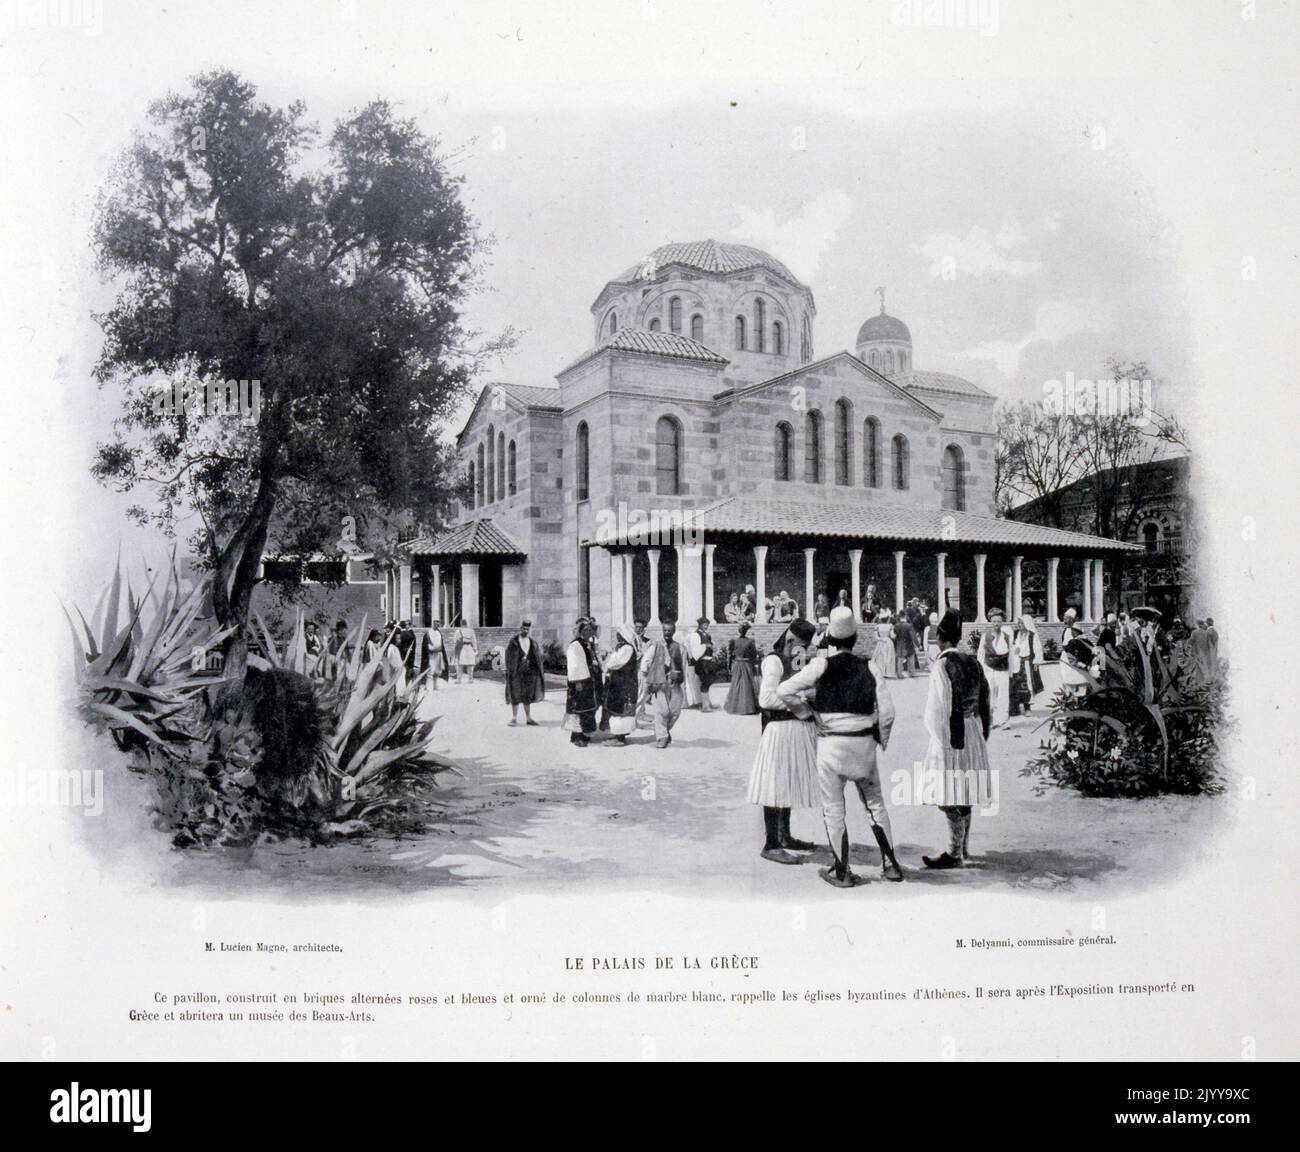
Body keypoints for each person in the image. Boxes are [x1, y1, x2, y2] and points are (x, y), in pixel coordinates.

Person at [778, 606, 902, 887]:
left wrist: (808, 712)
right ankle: (891, 865)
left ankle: (842, 870)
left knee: (834, 809)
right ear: (856, 637)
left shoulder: (820, 665)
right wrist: (879, 738)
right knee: (875, 805)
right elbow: (889, 712)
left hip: (831, 745)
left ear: (830, 639)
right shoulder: (869, 666)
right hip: (863, 744)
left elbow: (784, 690)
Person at [920, 610, 993, 869]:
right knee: (965, 789)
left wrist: (941, 739)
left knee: (949, 791)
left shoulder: (942, 665)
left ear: (940, 637)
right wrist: (982, 733)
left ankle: (953, 852)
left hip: (952, 731)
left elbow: (939, 706)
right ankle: (963, 848)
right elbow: (985, 702)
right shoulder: (973, 662)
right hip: (972, 727)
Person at [748, 618, 820, 864]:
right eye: (799, 647)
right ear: (789, 640)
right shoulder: (773, 661)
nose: (802, 653)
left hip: (794, 729)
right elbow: (766, 699)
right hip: (777, 729)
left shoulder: (796, 656)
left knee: (786, 781)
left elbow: (803, 681)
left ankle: (785, 836)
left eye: (806, 649)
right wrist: (801, 702)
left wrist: (807, 694)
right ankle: (771, 844)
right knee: (774, 784)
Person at [640, 621, 685, 748]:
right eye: (665, 630)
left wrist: (679, 676)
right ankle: (662, 737)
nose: (667, 633)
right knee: (661, 711)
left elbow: (682, 665)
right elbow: (646, 661)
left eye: (670, 630)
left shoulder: (678, 647)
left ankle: (665, 731)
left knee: (675, 711)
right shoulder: (656, 645)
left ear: (674, 631)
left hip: (674, 683)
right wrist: (648, 677)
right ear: (662, 631)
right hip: (659, 682)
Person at [601, 624, 640, 745]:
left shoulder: (627, 648)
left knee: (621, 709)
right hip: (619, 683)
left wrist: (608, 661)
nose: (617, 635)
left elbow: (615, 663)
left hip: (624, 684)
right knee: (616, 708)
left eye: (619, 633)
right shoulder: (623, 647)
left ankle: (620, 738)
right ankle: (618, 735)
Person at [563, 620, 599, 746]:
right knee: (578, 709)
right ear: (580, 631)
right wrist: (577, 681)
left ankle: (584, 734)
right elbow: (574, 665)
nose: (588, 632)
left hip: (588, 681)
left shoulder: (587, 644)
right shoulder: (575, 645)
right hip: (579, 682)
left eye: (590, 630)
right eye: (585, 630)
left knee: (587, 708)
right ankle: (577, 736)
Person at [504, 619, 545, 726]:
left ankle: (528, 718)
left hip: (528, 673)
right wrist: (511, 668)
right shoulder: (514, 641)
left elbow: (537, 657)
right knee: (515, 695)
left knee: (527, 695)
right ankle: (514, 718)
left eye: (527, 629)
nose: (525, 631)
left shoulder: (532, 642)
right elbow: (508, 657)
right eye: (524, 629)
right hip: (516, 672)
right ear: (520, 628)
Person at [978, 609, 1013, 728]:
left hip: (1003, 669)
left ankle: (1002, 720)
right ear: (990, 622)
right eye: (994, 621)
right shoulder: (985, 636)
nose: (996, 624)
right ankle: (991, 719)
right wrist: (981, 671)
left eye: (998, 621)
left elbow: (1011, 654)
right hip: (989, 668)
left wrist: (1011, 671)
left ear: (1002, 622)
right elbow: (981, 654)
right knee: (990, 693)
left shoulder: (1007, 637)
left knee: (1002, 693)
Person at [1011, 614, 1044, 714]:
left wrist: (1036, 662)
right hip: (1018, 662)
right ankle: (1016, 707)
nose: (1019, 625)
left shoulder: (1032, 635)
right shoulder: (1016, 634)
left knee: (1028, 685)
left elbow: (1037, 648)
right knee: (1016, 684)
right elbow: (1012, 646)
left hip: (1027, 663)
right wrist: (1014, 651)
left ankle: (1027, 707)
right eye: (1019, 623)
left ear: (1027, 624)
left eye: (1021, 623)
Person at [724, 621, 759, 715]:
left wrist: (729, 666)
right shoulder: (750, 642)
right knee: (747, 685)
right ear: (747, 631)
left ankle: (735, 707)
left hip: (737, 664)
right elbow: (754, 655)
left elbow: (730, 655)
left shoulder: (734, 641)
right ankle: (747, 708)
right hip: (746, 664)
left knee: (736, 684)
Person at [682, 617, 714, 711]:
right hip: (701, 661)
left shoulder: (707, 635)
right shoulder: (696, 635)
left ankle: (706, 702)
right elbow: (695, 649)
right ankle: (704, 705)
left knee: (707, 682)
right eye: (704, 624)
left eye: (707, 624)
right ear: (700, 625)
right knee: (703, 682)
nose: (706, 626)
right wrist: (705, 646)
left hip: (708, 660)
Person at [871, 609, 897, 678]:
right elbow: (892, 636)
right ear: (887, 619)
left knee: (880, 657)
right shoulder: (890, 626)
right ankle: (888, 672)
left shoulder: (877, 626)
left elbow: (876, 637)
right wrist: (896, 635)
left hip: (881, 642)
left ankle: (881, 672)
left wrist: (881, 639)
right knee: (888, 657)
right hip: (888, 642)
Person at [422, 620, 447, 689]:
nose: (437, 625)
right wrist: (430, 649)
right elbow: (425, 645)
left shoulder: (439, 633)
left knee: (436, 671)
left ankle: (435, 686)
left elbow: (441, 643)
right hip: (431, 655)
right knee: (430, 670)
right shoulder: (428, 633)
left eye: (438, 623)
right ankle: (426, 686)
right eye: (436, 623)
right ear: (433, 623)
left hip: (438, 654)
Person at [894, 610, 919, 677]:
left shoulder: (896, 625)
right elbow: (913, 636)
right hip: (908, 644)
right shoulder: (909, 626)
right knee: (910, 658)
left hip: (899, 644)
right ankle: (912, 672)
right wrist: (918, 645)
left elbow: (894, 636)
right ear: (905, 616)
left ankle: (899, 673)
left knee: (900, 659)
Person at [454, 616, 478, 683]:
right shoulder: (471, 630)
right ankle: (470, 679)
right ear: (466, 624)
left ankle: (459, 679)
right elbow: (474, 641)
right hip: (469, 647)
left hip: (461, 648)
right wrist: (475, 649)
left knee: (460, 664)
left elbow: (455, 641)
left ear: (461, 624)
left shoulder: (458, 631)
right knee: (470, 664)